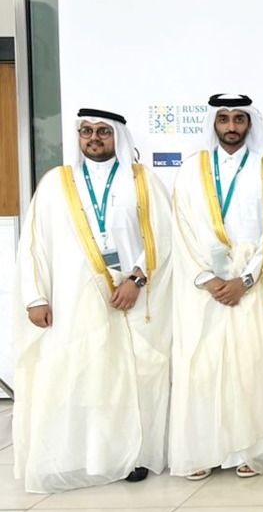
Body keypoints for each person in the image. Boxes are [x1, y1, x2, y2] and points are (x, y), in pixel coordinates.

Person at [13, 108, 172, 492]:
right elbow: (33, 245)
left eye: (102, 131)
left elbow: (162, 237)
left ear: (117, 136)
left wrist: (137, 279)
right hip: (73, 299)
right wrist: (35, 298)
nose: (94, 138)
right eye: (86, 131)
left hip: (130, 297)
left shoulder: (142, 181)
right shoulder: (56, 183)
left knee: (127, 381)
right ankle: (79, 457)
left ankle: (130, 456)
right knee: (81, 377)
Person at [169, 94, 263, 480]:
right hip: (204, 290)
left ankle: (250, 451)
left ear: (250, 124)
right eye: (223, 118)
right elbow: (181, 231)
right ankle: (202, 450)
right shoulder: (190, 171)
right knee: (202, 368)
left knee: (252, 367)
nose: (231, 126)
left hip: (254, 287)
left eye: (239, 119)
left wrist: (246, 279)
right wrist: (209, 279)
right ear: (214, 123)